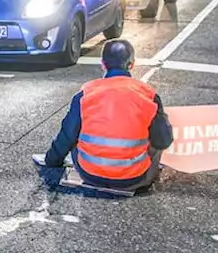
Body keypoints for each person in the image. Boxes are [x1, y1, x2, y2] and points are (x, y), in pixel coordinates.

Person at [33, 39, 174, 191]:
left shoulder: (86, 94)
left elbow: (66, 136)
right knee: (159, 130)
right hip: (133, 177)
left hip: (90, 174)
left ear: (103, 64)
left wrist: (51, 162)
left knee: (75, 131)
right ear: (132, 64)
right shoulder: (148, 95)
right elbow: (163, 141)